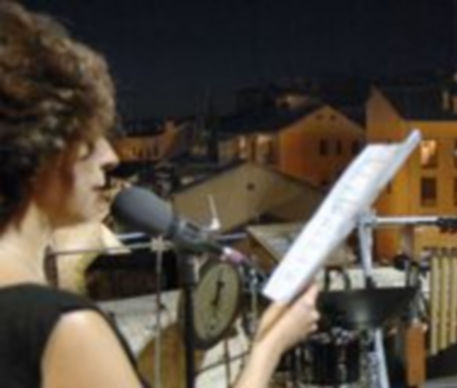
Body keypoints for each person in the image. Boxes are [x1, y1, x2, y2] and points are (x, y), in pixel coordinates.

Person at [0, 2, 319, 386]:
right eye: (87, 133)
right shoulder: (62, 330)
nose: (111, 157)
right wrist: (270, 346)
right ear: (40, 147)